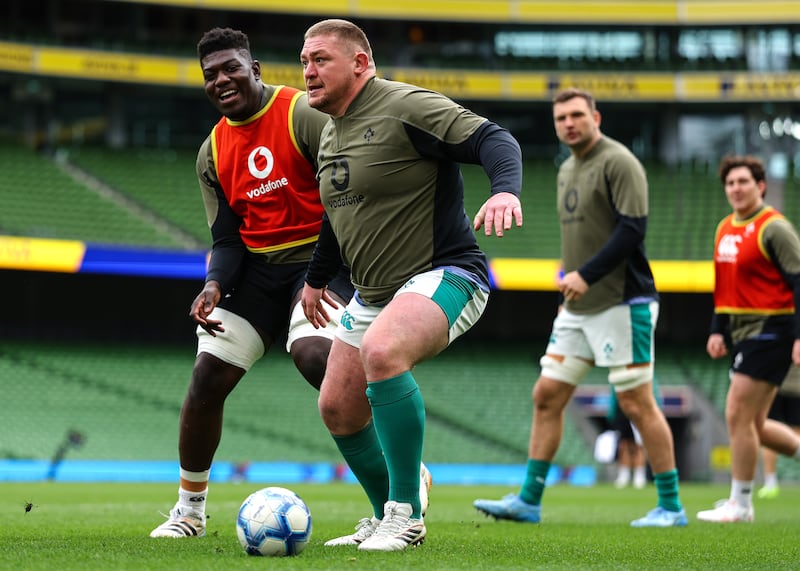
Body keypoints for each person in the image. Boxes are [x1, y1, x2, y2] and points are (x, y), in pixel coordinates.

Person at [298, 19, 523, 552]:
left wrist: (506, 190)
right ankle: (382, 516)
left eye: (320, 59)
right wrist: (313, 281)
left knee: (383, 351)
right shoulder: (329, 132)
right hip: (372, 293)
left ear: (360, 63)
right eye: (304, 60)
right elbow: (337, 216)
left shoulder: (406, 106)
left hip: (448, 273)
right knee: (336, 406)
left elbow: (494, 138)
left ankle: (406, 515)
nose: (308, 71)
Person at [149, 27, 356, 538]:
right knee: (206, 377)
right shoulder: (212, 153)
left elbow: (341, 203)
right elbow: (227, 238)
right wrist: (213, 286)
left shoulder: (301, 114)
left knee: (314, 357)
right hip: (259, 273)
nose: (221, 80)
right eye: (210, 75)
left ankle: (401, 474)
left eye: (231, 68)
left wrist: (319, 275)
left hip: (326, 261)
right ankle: (190, 512)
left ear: (255, 69)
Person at [474, 87, 687, 528]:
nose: (568, 123)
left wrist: (586, 273)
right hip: (576, 307)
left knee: (636, 402)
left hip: (623, 302)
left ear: (596, 117)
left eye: (576, 115)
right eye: (560, 118)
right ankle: (529, 500)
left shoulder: (619, 162)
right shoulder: (567, 168)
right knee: (547, 395)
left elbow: (632, 230)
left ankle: (670, 506)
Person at [698, 155, 800, 523]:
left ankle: (740, 503)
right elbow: (724, 285)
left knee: (737, 413)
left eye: (743, 182)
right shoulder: (724, 228)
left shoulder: (774, 228)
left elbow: (798, 280)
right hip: (742, 332)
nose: (736, 188)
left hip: (772, 329)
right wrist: (716, 329)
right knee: (754, 424)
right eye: (730, 183)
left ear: (760, 186)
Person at [758, 368, 800, 498]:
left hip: (787, 385)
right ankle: (770, 482)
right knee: (767, 428)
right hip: (777, 384)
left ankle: (770, 483)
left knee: (768, 429)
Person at [608, 388, 648, 489]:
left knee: (638, 446)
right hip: (622, 412)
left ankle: (639, 476)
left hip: (639, 411)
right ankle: (624, 475)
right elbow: (614, 397)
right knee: (624, 445)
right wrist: (612, 414)